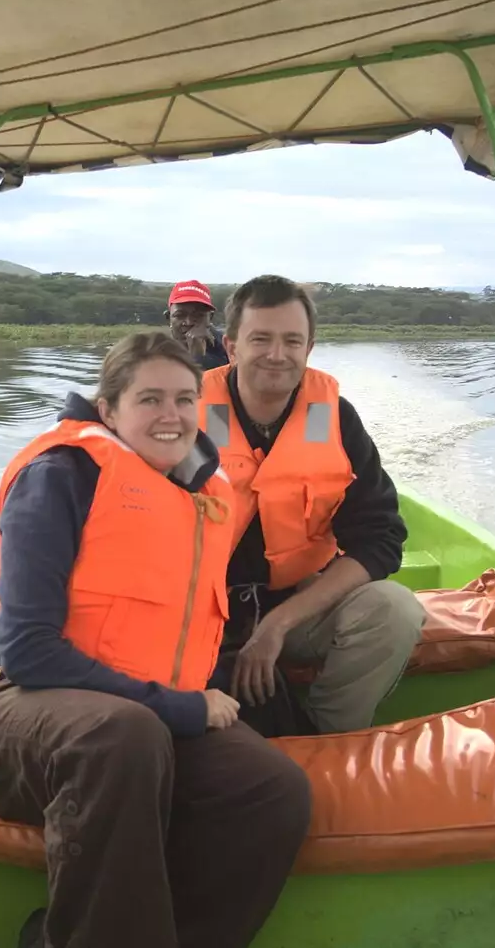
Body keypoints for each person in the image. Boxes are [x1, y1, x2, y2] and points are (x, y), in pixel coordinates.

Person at [0, 331, 311, 948]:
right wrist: (179, 708)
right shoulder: (61, 476)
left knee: (271, 789)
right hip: (3, 709)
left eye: (185, 399)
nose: (171, 416)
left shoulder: (200, 497)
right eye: (150, 400)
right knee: (124, 734)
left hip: (136, 720)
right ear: (109, 410)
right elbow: (30, 653)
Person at [201, 275, 426, 736]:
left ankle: (329, 740)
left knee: (394, 610)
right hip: (199, 611)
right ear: (231, 346)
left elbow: (380, 538)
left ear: (310, 348)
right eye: (260, 339)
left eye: (292, 341)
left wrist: (277, 626)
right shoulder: (185, 414)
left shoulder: (336, 418)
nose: (277, 354)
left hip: (299, 606)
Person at [166, 279, 230, 370]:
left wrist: (199, 357)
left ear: (210, 318)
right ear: (168, 318)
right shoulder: (155, 353)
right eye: (180, 315)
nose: (189, 322)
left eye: (198, 316)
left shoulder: (229, 348)